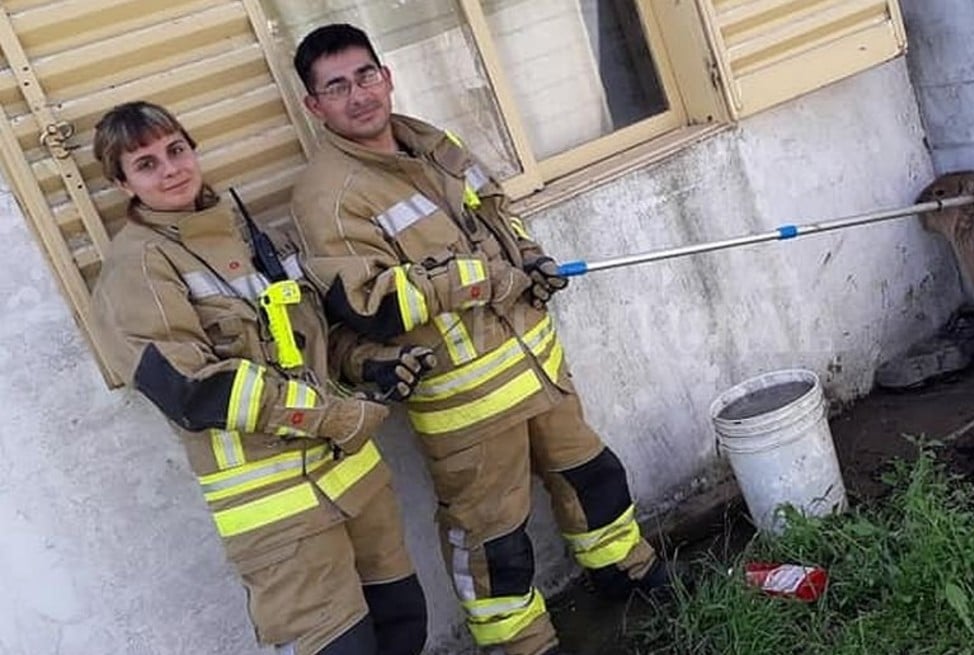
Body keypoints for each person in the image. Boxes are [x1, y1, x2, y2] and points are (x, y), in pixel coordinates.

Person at [287, 23, 681, 655]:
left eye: (365, 75)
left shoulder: (432, 142)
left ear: (385, 76)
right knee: (494, 540)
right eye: (336, 87)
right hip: (465, 404)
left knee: (593, 476)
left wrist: (530, 258)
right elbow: (368, 306)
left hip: (537, 367)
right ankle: (522, 644)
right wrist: (480, 279)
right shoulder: (325, 197)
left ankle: (626, 572)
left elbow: (495, 213)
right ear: (315, 107)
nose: (358, 95)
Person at [89, 100, 433, 655]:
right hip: (280, 515)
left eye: (176, 150)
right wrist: (333, 415)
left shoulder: (248, 233)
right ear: (122, 183)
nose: (171, 169)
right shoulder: (137, 268)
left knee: (404, 624)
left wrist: (369, 361)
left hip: (353, 479)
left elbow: (315, 333)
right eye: (147, 164)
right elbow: (194, 391)